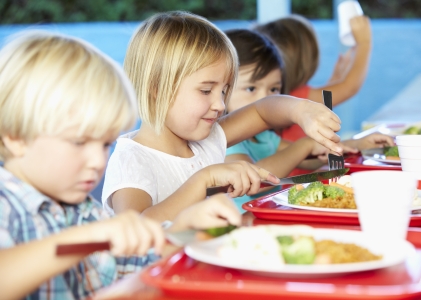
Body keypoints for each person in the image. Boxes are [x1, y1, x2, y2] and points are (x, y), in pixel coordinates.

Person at [0, 30, 241, 300]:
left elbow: (134, 264)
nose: (98, 161)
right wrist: (84, 240)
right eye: (79, 142)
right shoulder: (7, 207)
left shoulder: (83, 211)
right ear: (16, 137)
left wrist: (183, 231)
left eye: (104, 144)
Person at [102, 11, 343, 221]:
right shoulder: (131, 160)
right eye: (206, 91)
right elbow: (136, 229)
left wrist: (301, 110)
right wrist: (203, 180)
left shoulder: (206, 140)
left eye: (225, 90)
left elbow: (263, 112)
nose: (219, 104)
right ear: (156, 88)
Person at [224, 29, 393, 209]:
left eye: (273, 89)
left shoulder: (263, 136)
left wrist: (356, 145)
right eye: (251, 89)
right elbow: (254, 182)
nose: (265, 98)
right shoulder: (226, 141)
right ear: (222, 88)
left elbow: (305, 158)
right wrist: (305, 145)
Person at [254, 14, 372, 141]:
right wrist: (364, 43)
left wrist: (335, 80)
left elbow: (324, 101)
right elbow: (350, 87)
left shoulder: (279, 96)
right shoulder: (297, 97)